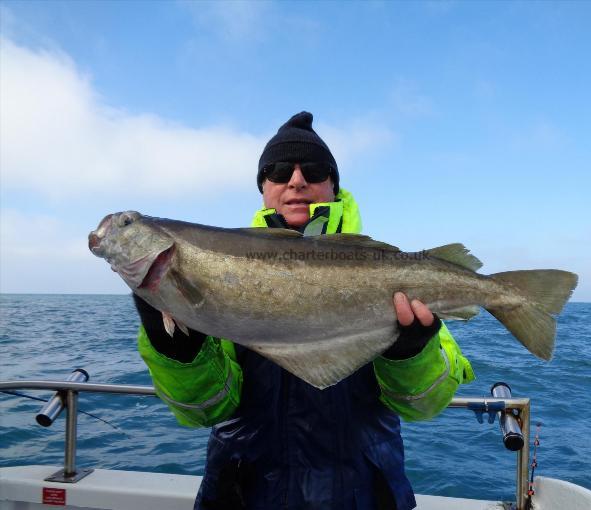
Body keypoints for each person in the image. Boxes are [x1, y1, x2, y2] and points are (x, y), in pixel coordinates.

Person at [133, 111, 475, 510]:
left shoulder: (396, 272)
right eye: (278, 171)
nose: (296, 181)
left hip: (364, 496)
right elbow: (202, 411)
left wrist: (410, 354)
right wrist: (180, 356)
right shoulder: (211, 277)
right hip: (243, 494)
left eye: (313, 169)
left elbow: (425, 405)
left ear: (333, 185)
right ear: (263, 187)